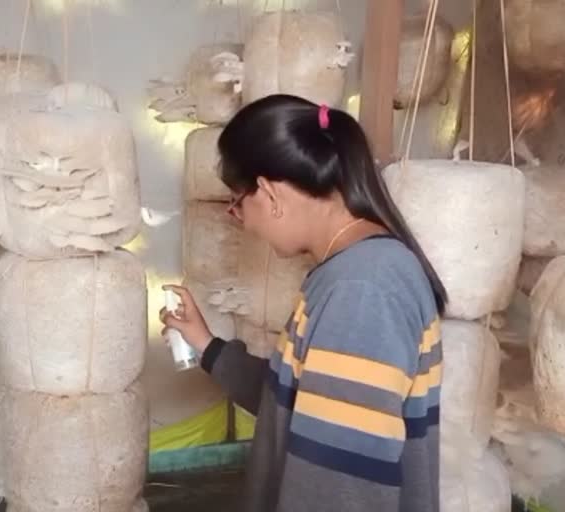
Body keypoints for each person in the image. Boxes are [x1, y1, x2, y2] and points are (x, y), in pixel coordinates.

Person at [160, 94, 447, 512]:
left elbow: (342, 490)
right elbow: (301, 405)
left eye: (238, 204)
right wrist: (208, 345)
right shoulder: (352, 272)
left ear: (268, 192)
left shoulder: (362, 290)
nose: (243, 222)